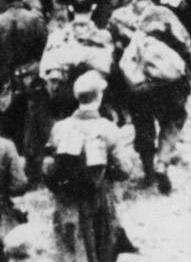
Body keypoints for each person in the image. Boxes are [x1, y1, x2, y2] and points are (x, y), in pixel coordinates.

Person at [108, 0, 191, 194]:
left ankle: (148, 172)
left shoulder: (118, 18)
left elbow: (113, 53)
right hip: (166, 82)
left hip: (136, 83)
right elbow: (183, 42)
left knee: (142, 123)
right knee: (173, 118)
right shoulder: (162, 14)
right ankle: (162, 163)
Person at [43, 70, 134, 262]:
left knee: (71, 253)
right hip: (100, 201)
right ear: (99, 97)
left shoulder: (59, 128)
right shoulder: (109, 128)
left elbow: (49, 168)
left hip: (68, 201)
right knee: (104, 252)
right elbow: (124, 171)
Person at [0, 0, 47, 184]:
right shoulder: (34, 19)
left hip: (6, 82)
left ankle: (11, 174)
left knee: (9, 127)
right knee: (33, 127)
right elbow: (44, 50)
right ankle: (33, 174)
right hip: (31, 80)